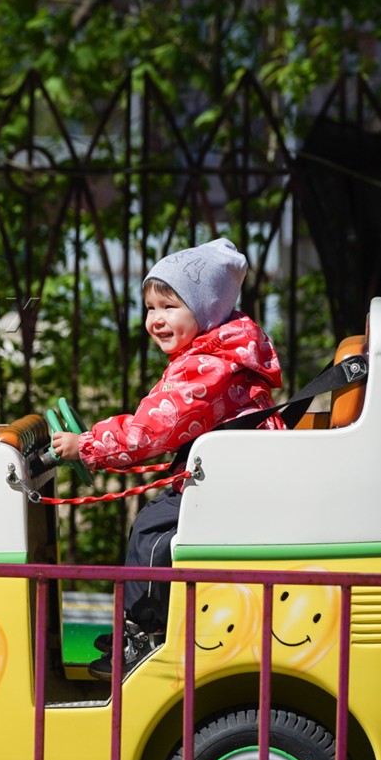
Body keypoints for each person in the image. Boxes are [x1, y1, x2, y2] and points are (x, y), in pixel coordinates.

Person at [49, 237, 283, 676]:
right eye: (150, 308)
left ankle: (146, 634)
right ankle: (142, 628)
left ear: (207, 310)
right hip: (233, 475)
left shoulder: (208, 366)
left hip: (233, 484)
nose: (155, 320)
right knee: (154, 519)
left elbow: (152, 428)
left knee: (154, 532)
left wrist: (89, 446)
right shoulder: (209, 356)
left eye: (169, 307)